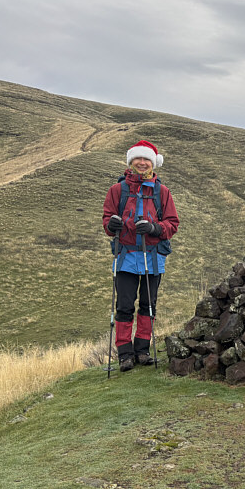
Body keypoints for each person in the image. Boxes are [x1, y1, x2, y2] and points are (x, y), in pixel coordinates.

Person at [102, 140, 179, 371]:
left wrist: (155, 229)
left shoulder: (162, 192)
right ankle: (125, 355)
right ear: (131, 161)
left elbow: (172, 224)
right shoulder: (117, 190)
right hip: (125, 258)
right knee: (124, 306)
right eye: (138, 159)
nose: (142, 163)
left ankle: (142, 351)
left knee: (148, 305)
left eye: (146, 160)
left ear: (153, 163)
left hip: (152, 258)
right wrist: (112, 224)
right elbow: (107, 222)